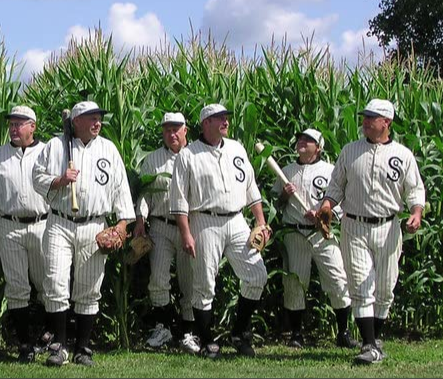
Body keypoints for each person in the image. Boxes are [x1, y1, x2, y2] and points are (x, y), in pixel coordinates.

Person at [319, 99, 425, 365]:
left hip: (388, 227)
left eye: (371, 117)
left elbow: (414, 190)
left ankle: (374, 341)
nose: (365, 121)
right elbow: (336, 186)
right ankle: (368, 344)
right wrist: (327, 205)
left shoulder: (403, 155)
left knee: (385, 289)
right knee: (360, 285)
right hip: (354, 225)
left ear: (386, 122)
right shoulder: (350, 151)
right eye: (364, 117)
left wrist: (416, 212)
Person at [32, 101, 135, 367]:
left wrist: (122, 225)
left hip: (95, 225)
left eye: (99, 118)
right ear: (75, 121)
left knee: (89, 288)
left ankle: (82, 348)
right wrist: (60, 180)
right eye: (91, 118)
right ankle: (59, 347)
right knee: (55, 283)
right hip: (59, 222)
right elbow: (36, 177)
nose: (97, 122)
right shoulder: (55, 146)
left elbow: (121, 188)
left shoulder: (108, 149)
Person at [169, 103, 270, 359]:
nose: (225, 121)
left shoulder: (236, 148)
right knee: (204, 286)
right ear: (206, 124)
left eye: (226, 117)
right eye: (218, 118)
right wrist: (186, 233)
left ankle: (238, 332)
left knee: (257, 275)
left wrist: (260, 222)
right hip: (204, 221)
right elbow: (179, 201)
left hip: (236, 220)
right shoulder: (188, 155)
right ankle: (207, 341)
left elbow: (251, 188)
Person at [271, 128, 358, 350]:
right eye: (300, 138)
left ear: (318, 148)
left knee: (337, 279)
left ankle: (343, 332)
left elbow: (343, 204)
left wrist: (322, 216)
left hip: (322, 234)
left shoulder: (330, 171)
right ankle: (297, 334)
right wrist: (284, 195)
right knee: (295, 283)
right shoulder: (286, 171)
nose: (302, 142)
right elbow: (276, 206)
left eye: (308, 140)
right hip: (295, 233)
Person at [0, 105, 52, 363]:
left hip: (43, 224)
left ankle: (47, 336)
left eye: (20, 123)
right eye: (11, 123)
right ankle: (24, 344)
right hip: (8, 227)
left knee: (48, 285)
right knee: (17, 287)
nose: (14, 127)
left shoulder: (47, 153)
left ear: (33, 126)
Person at [135, 112, 200, 354]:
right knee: (158, 279)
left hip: (189, 228)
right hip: (160, 226)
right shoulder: (152, 160)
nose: (171, 134)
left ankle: (188, 332)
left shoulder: (196, 157)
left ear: (185, 131)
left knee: (189, 281)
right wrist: (140, 219)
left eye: (176, 129)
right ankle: (163, 327)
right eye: (167, 130)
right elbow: (144, 193)